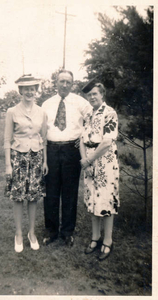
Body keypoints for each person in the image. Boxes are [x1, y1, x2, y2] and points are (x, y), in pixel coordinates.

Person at [42, 69, 93, 247]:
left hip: (72, 149)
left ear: (72, 84)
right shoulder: (46, 104)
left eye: (68, 82)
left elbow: (93, 121)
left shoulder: (81, 103)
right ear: (55, 82)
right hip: (52, 149)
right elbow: (41, 129)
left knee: (70, 192)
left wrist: (85, 141)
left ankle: (67, 232)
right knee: (51, 192)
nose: (64, 85)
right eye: (61, 81)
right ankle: (51, 230)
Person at [4, 74, 48, 252]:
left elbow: (43, 139)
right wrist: (8, 165)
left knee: (33, 197)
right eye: (26, 89)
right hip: (18, 158)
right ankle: (18, 233)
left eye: (33, 88)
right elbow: (7, 140)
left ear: (36, 91)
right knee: (18, 197)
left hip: (36, 158)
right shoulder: (12, 111)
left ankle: (31, 233)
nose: (30, 92)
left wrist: (45, 161)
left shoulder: (41, 112)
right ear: (20, 91)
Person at [80, 81, 119, 260]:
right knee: (93, 201)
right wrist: (85, 162)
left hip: (104, 162)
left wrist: (89, 160)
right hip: (89, 162)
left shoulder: (110, 113)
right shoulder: (88, 115)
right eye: (89, 95)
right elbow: (82, 139)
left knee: (106, 201)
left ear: (102, 94)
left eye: (95, 94)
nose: (92, 97)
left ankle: (108, 241)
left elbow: (106, 142)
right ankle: (95, 238)